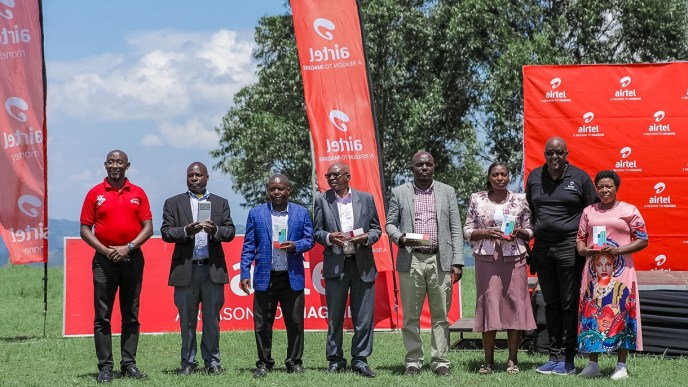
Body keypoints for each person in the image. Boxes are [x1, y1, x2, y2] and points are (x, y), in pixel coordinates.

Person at [386, 151, 464, 377]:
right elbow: (390, 223)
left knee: (440, 314)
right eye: (419, 165)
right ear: (412, 167)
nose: (424, 168)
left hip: (440, 258)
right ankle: (413, 360)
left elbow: (456, 228)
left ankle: (440, 361)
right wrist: (398, 237)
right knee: (411, 314)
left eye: (428, 164)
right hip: (411, 258)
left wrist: (458, 261)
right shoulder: (399, 192)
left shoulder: (447, 191)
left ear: (434, 167)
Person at [79, 150, 153, 383]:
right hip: (104, 261)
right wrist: (106, 250)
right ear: (105, 165)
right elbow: (84, 229)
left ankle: (129, 364)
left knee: (131, 314)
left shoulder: (138, 193)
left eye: (119, 161)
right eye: (111, 162)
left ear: (127, 165)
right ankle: (105, 367)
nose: (115, 165)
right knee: (102, 316)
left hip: (132, 258)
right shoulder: (95, 193)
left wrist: (127, 247)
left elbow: (148, 227)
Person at [525, 136, 597, 375]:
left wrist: (591, 246)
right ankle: (553, 356)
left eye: (558, 153)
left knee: (569, 304)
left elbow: (593, 212)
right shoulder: (535, 177)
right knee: (551, 303)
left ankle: (568, 358)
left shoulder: (580, 178)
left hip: (569, 248)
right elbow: (531, 211)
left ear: (567, 154)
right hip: (543, 249)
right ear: (544, 154)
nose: (553, 157)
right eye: (549, 153)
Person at [160, 162, 236, 376]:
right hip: (186, 270)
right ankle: (188, 362)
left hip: (211, 269)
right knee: (187, 320)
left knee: (212, 319)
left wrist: (216, 230)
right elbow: (166, 232)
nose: (194, 178)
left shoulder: (220, 203)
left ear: (207, 177)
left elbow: (229, 231)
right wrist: (186, 230)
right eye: (190, 175)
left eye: (198, 175)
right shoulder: (173, 203)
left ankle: (212, 361)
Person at [463, 162, 536, 375]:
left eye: (504, 174)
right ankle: (488, 361)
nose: (500, 178)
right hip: (486, 258)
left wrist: (518, 233)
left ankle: (512, 360)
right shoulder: (477, 199)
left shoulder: (520, 200)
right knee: (488, 305)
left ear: (509, 177)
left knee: (514, 305)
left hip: (514, 257)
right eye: (496, 174)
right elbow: (468, 230)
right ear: (489, 177)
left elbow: (531, 230)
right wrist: (485, 232)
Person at [239, 174, 315, 378]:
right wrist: (245, 272)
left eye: (281, 189)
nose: (277, 192)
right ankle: (264, 363)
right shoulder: (256, 213)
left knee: (296, 322)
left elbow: (310, 240)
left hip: (292, 276)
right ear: (268, 191)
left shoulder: (301, 212)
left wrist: (296, 246)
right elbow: (248, 245)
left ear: (288, 190)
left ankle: (294, 362)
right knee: (262, 324)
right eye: (272, 189)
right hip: (266, 276)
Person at [576, 170, 648, 380]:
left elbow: (643, 239)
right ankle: (592, 365)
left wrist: (619, 250)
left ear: (616, 187)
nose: (604, 190)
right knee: (592, 314)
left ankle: (621, 366)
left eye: (609, 186)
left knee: (621, 313)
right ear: (596, 189)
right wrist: (585, 250)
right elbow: (580, 239)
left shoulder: (629, 210)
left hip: (621, 273)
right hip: (593, 273)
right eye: (600, 186)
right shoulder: (589, 211)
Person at [313, 162, 382, 378]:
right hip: (336, 264)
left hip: (362, 263)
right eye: (328, 176)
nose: (331, 179)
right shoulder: (322, 200)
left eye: (335, 175)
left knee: (363, 317)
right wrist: (328, 237)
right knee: (334, 316)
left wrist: (367, 238)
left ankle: (360, 359)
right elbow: (317, 231)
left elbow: (376, 229)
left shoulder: (367, 199)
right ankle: (335, 360)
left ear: (347, 176)